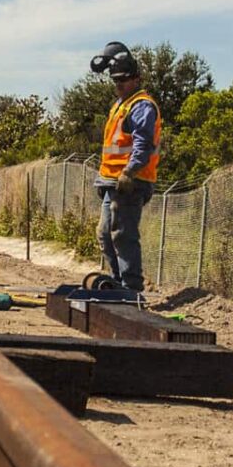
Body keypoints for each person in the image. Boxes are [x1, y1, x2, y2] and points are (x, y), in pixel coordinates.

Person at [90, 40, 159, 298]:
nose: (118, 85)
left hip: (131, 182)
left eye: (123, 80)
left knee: (123, 234)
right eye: (115, 80)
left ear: (136, 79)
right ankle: (117, 282)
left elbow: (144, 143)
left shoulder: (141, 105)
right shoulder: (120, 104)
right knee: (105, 234)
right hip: (111, 183)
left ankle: (131, 289)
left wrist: (130, 171)